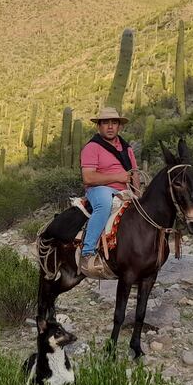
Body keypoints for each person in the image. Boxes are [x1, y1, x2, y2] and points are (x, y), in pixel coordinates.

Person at [79, 106, 139, 276]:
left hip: (125, 191)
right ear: (99, 126)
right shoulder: (92, 148)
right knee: (104, 203)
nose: (110, 126)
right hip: (99, 189)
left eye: (114, 123)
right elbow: (88, 178)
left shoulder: (127, 149)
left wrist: (138, 192)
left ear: (119, 126)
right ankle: (87, 251)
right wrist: (117, 177)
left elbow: (133, 174)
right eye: (106, 123)